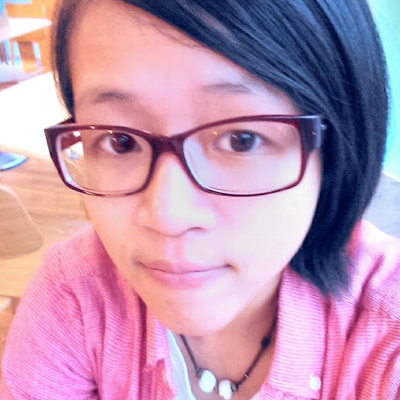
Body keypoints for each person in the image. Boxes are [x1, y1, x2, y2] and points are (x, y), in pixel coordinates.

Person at [1, 0, 399, 398]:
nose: (168, 216)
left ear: (334, 149)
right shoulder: (76, 295)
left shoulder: (386, 332)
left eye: (242, 140)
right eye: (120, 141)